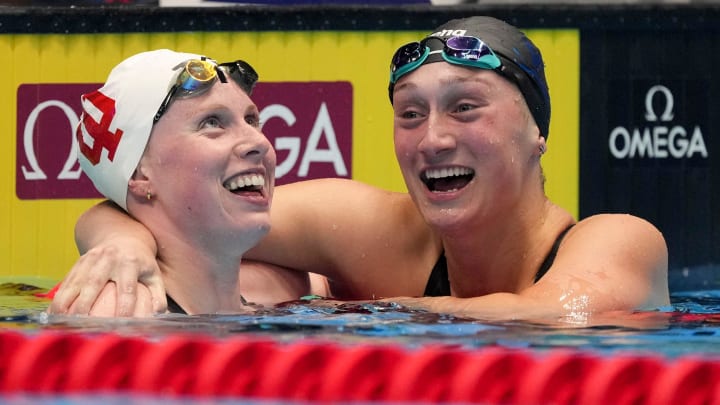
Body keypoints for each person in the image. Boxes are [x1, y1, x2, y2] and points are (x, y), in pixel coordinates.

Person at [51, 16, 670, 321]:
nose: (433, 138)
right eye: (410, 114)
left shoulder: (619, 240)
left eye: (465, 109)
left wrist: (360, 311)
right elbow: (190, 217)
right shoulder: (367, 229)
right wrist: (124, 244)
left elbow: (559, 313)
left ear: (538, 131)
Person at [67, 49, 327, 316]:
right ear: (140, 175)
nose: (259, 142)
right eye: (212, 123)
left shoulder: (281, 293)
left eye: (252, 120)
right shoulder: (121, 310)